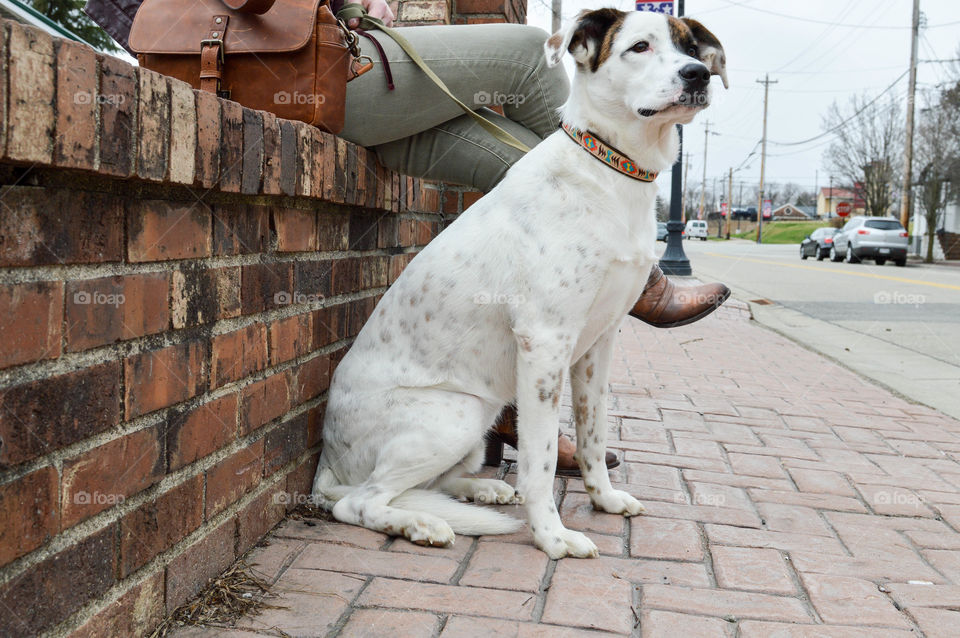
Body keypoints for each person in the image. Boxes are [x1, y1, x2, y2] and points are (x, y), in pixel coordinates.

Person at [85, 0, 730, 475]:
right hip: (297, 70)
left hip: (294, 66)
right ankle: (634, 278)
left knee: (510, 158)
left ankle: (510, 371)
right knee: (522, 58)